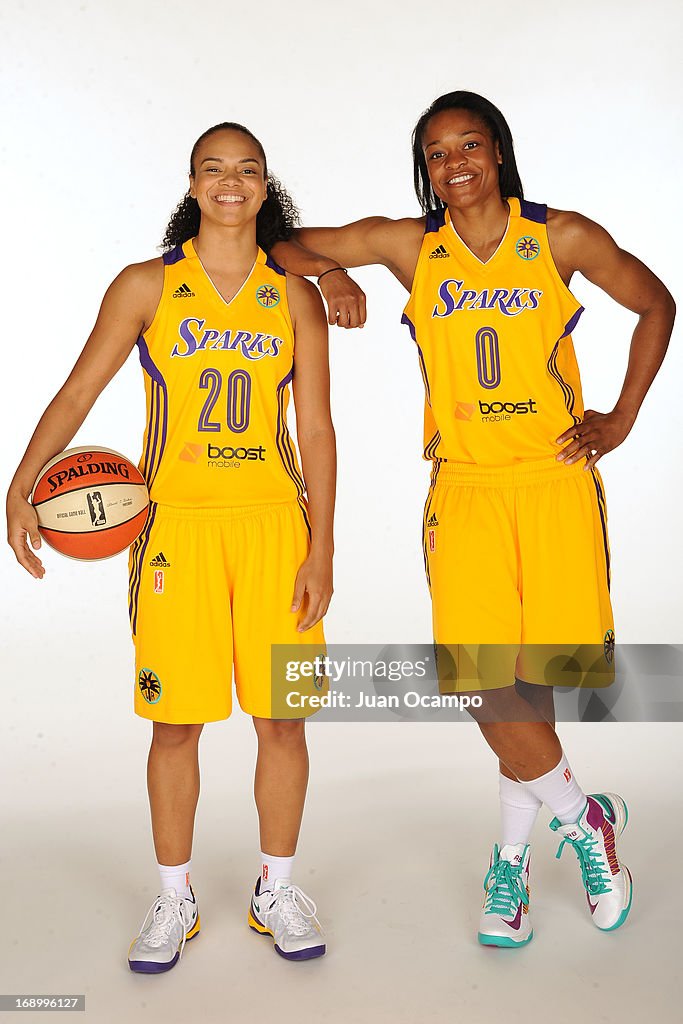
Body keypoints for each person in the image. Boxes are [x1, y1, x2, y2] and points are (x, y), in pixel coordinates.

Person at [272, 91, 675, 948]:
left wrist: (623, 414)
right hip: (462, 489)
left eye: (469, 145)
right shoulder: (409, 247)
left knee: (531, 684)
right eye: (435, 152)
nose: (453, 163)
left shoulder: (558, 237)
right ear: (424, 169)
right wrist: (330, 271)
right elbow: (279, 241)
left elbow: (656, 304)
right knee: (480, 682)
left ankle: (512, 867)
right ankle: (584, 819)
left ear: (498, 153)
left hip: (555, 481)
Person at [6, 122, 336, 971]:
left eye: (248, 169)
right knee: (176, 724)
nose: (231, 182)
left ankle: (276, 887)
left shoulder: (294, 295)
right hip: (174, 533)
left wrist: (322, 546)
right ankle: (174, 895)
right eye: (213, 168)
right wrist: (23, 481)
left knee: (283, 719)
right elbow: (80, 390)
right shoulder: (148, 286)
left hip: (273, 527)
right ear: (192, 184)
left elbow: (318, 429)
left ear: (267, 187)